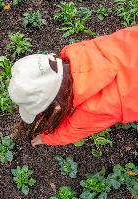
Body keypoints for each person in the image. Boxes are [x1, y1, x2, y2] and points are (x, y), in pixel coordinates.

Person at [8, 25, 138, 146]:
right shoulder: (79, 51)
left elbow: (74, 130)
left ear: (58, 105)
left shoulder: (96, 108)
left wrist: (46, 138)